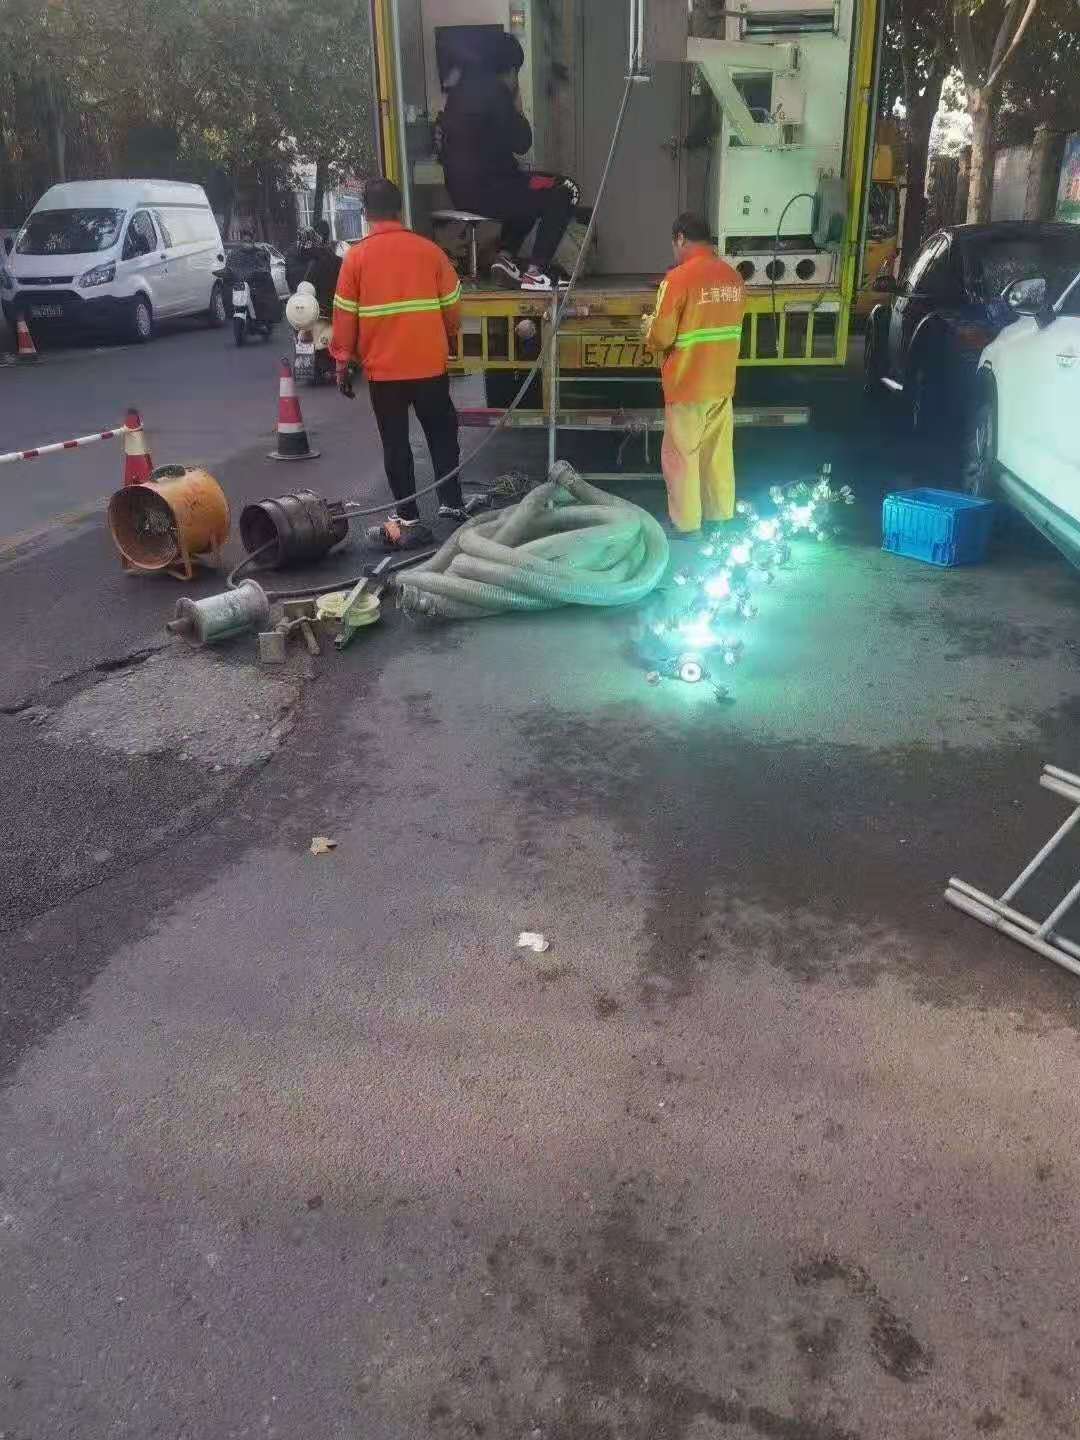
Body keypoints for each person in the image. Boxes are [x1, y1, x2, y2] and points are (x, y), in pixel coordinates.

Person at [330, 178, 481, 549]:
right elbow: (453, 303)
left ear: (366, 214)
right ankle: (451, 503)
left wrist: (341, 362)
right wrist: (449, 333)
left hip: (385, 373)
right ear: (400, 210)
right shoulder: (429, 252)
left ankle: (408, 515)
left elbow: (344, 315)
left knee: (395, 444)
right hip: (429, 366)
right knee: (442, 435)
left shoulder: (356, 258)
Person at [440, 32, 575, 291]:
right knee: (563, 190)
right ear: (511, 69)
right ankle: (537, 271)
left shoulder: (457, 94)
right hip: (490, 191)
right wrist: (517, 102)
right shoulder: (497, 93)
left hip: (462, 192)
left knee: (530, 190)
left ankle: (506, 258)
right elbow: (523, 142)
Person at [642, 213, 746, 534]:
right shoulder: (732, 278)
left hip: (688, 385)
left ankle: (687, 527)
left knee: (681, 457)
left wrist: (647, 327)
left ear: (681, 239)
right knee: (717, 456)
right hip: (721, 383)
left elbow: (661, 337)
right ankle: (720, 518)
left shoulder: (677, 280)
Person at [222, 229, 280, 325]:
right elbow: (229, 267)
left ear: (253, 241)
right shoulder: (234, 254)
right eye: (245, 241)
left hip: (256, 285)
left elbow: (265, 267)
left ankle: (266, 320)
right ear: (241, 241)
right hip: (241, 285)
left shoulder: (260, 253)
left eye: (249, 241)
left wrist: (261, 272)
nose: (247, 243)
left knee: (265, 298)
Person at [302, 219, 342, 315]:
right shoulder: (338, 257)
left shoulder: (313, 260)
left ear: (318, 236)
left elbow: (306, 287)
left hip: (319, 311)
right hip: (337, 308)